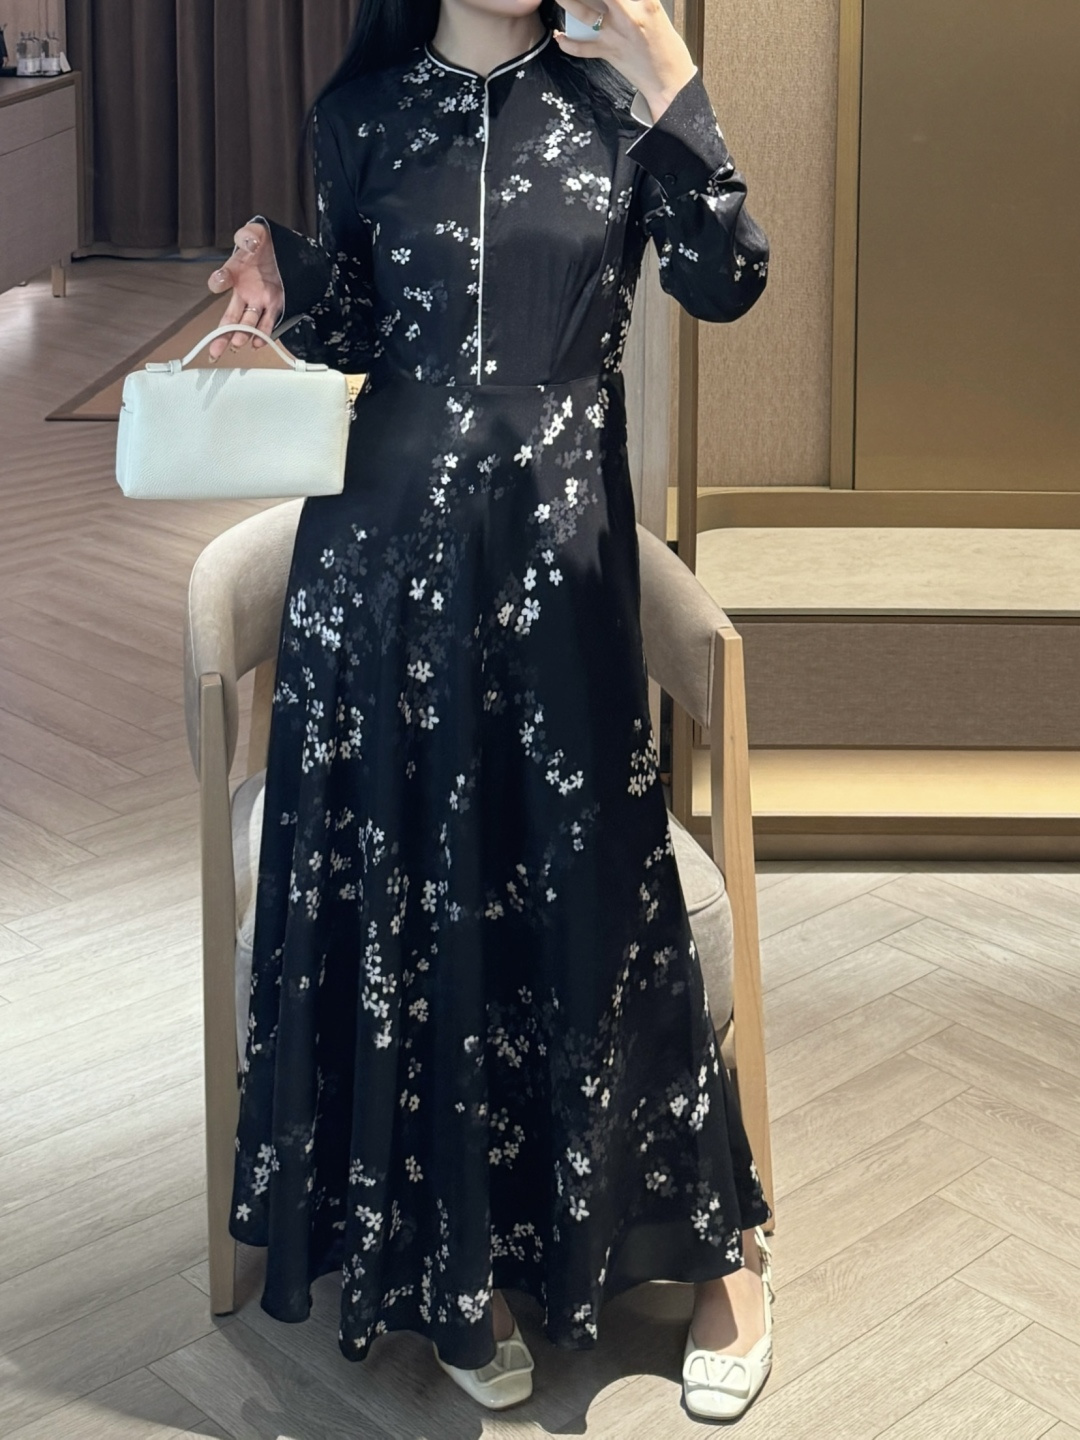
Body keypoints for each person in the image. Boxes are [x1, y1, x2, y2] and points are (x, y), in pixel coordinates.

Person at [207, 0, 773, 1422]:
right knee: (423, 917)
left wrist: (669, 72)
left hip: (557, 581)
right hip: (375, 588)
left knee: (602, 910)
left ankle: (720, 1258)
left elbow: (726, 279)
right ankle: (463, 1267)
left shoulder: (613, 108)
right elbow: (359, 325)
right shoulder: (362, 114)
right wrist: (279, 263)